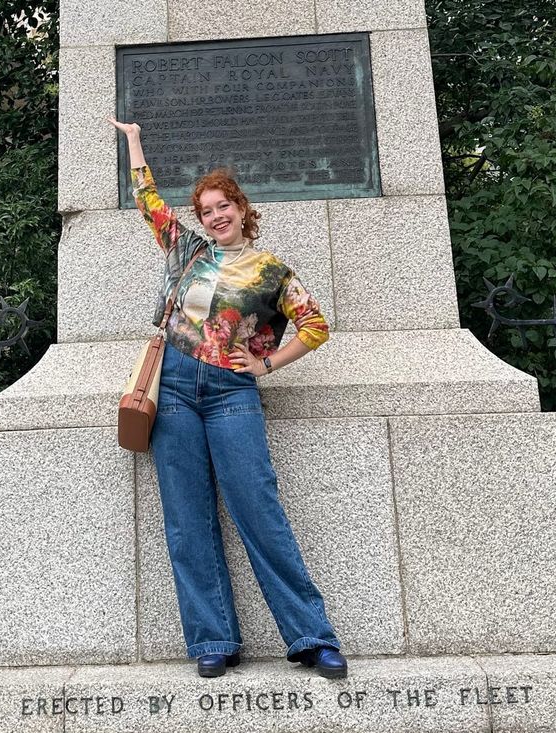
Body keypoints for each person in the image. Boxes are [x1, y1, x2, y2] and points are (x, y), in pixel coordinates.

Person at [109, 117, 347, 680]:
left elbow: (314, 325)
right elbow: (148, 202)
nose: (215, 216)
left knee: (258, 511)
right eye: (206, 210)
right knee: (187, 521)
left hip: (231, 393)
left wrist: (266, 364)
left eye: (223, 206)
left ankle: (311, 636)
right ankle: (213, 638)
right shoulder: (187, 251)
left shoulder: (270, 271)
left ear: (241, 208)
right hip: (172, 391)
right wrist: (135, 143)